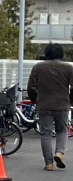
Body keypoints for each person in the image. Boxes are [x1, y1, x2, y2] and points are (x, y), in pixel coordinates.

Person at [25, 43, 73, 171]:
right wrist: (70, 101)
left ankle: (49, 163)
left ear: (46, 53)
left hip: (44, 104)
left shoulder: (38, 67)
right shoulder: (68, 68)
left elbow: (31, 87)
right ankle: (60, 152)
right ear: (61, 54)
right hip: (62, 104)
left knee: (46, 133)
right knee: (62, 130)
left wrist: (35, 100)